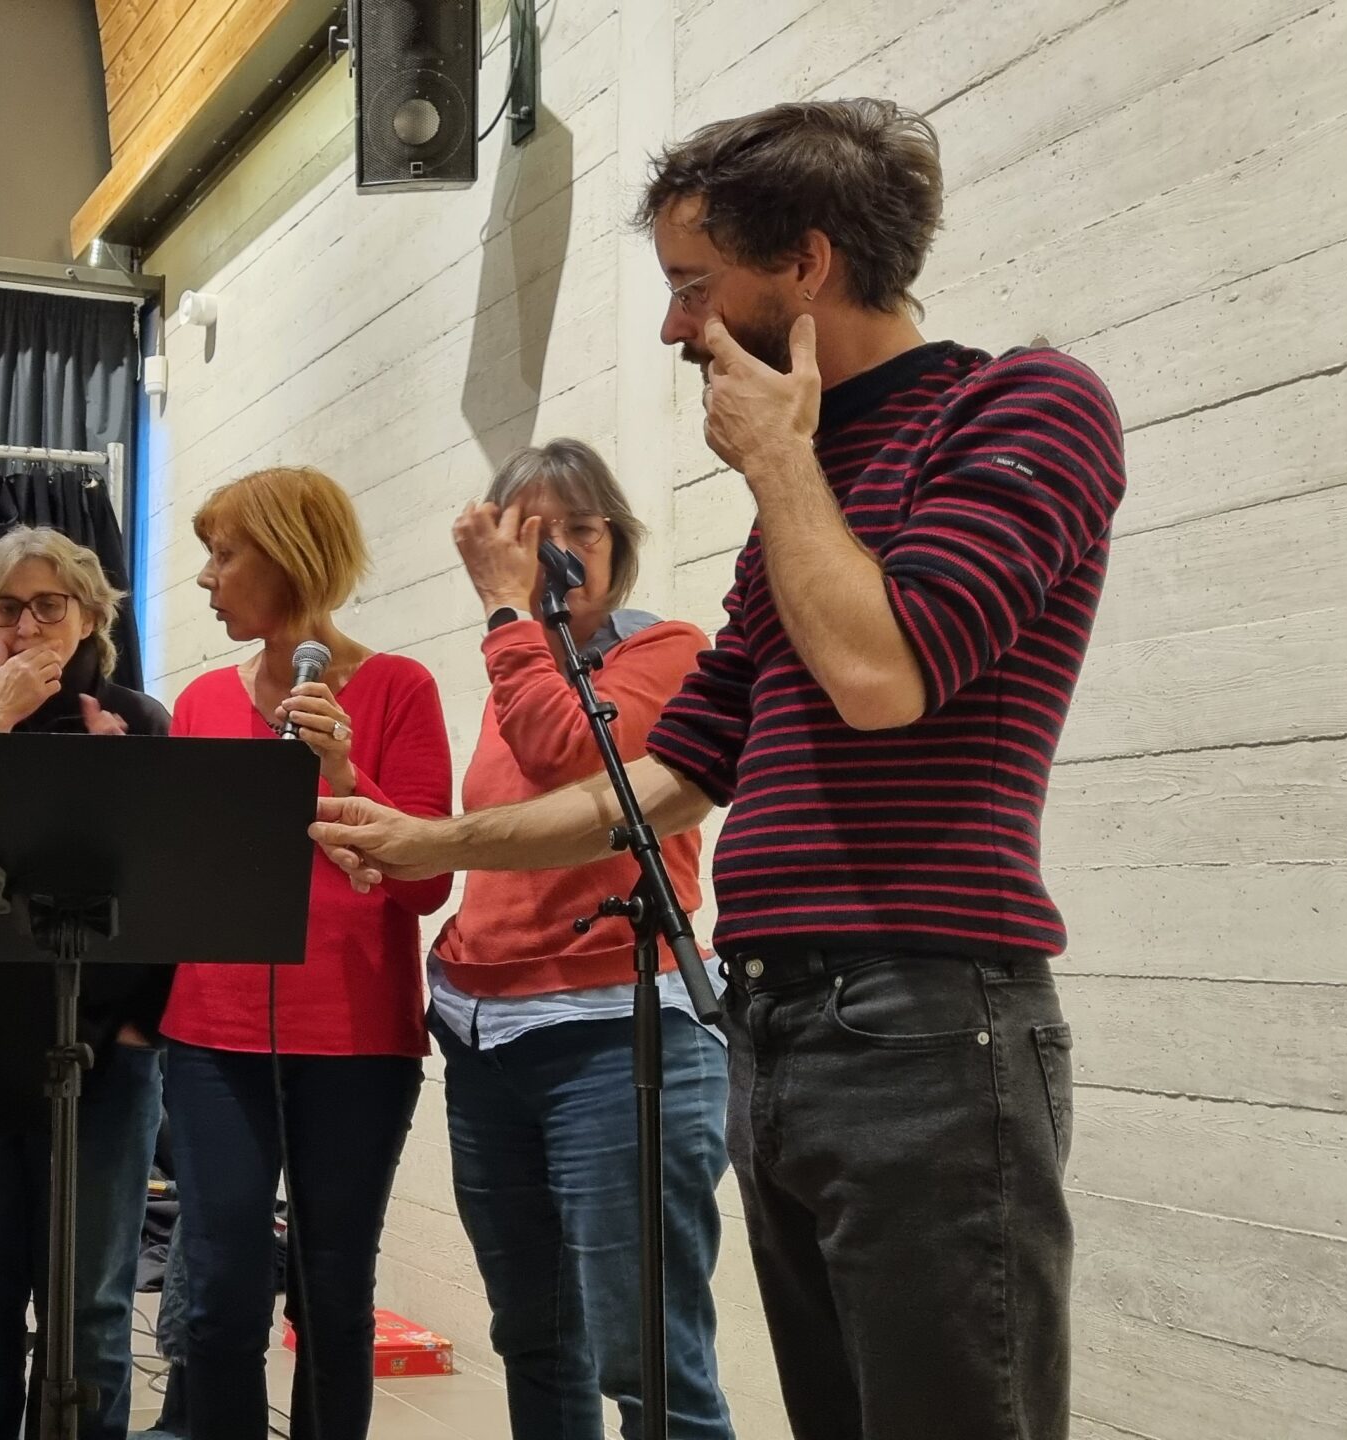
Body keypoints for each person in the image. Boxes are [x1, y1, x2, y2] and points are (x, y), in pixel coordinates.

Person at [311, 99, 1125, 1440]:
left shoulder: (1023, 406)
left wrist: (781, 460)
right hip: (780, 1026)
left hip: (930, 1022)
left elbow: (883, 676)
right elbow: (668, 782)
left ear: (805, 266)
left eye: (694, 286)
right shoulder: (785, 522)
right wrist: (424, 845)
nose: (674, 327)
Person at [436, 440, 730, 1440]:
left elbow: (576, 761)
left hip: (618, 1033)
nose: (558, 549)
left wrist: (506, 614)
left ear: (619, 542)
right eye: (532, 533)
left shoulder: (663, 650)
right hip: (487, 1040)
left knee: (644, 1355)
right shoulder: (517, 671)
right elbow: (495, 842)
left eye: (580, 529)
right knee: (536, 1337)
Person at [160, 465, 453, 1440]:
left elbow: (423, 887)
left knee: (331, 1299)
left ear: (288, 557)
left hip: (359, 1042)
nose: (206, 578)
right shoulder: (199, 701)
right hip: (209, 1035)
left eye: (223, 553)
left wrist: (343, 768)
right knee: (217, 1295)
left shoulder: (400, 689)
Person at [0, 525, 172, 1440]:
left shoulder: (141, 720)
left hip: (102, 1060)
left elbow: (171, 888)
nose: (25, 625)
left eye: (49, 605)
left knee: (91, 1317)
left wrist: (141, 1026)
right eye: (4, 609)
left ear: (91, 615)